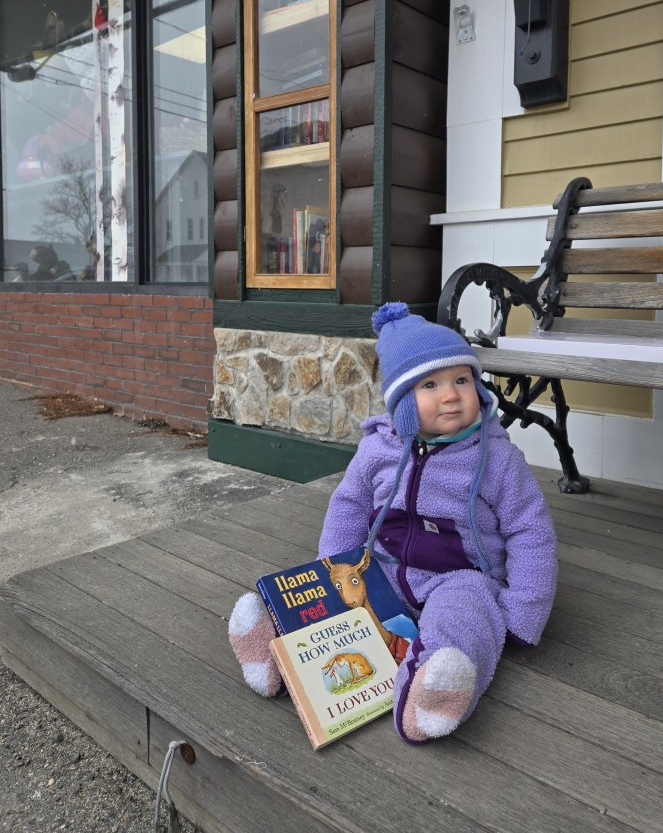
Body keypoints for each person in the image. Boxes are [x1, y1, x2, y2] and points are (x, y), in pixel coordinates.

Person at [229, 302, 558, 744]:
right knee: (334, 613)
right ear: (401, 402)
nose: (451, 394)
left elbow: (531, 531)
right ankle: (270, 648)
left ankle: (438, 688)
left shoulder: (497, 458)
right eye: (430, 384)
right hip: (382, 568)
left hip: (460, 578)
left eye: (462, 380)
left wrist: (524, 610)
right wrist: (333, 572)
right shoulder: (377, 450)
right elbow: (348, 505)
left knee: (465, 620)